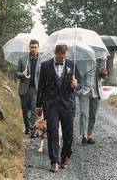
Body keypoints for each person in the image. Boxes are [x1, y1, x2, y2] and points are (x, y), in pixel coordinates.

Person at [37, 44, 81, 172]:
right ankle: (54, 161)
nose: (62, 59)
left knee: (68, 133)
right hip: (51, 105)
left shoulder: (72, 65)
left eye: (64, 56)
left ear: (67, 54)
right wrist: (38, 105)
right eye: (60, 56)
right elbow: (41, 87)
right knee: (52, 131)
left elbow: (80, 85)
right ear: (55, 54)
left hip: (68, 105)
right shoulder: (45, 66)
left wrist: (75, 85)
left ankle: (65, 156)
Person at [77, 57, 109, 145]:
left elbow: (104, 76)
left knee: (93, 115)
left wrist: (105, 73)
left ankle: (90, 135)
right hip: (84, 91)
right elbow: (77, 74)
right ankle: (84, 136)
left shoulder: (101, 60)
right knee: (84, 113)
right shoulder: (82, 59)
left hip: (96, 92)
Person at [14, 39, 41, 137]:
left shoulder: (42, 60)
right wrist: (22, 74)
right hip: (24, 88)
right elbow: (16, 73)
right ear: (29, 47)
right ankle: (27, 127)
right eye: (32, 47)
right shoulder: (23, 59)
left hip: (35, 89)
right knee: (25, 110)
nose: (33, 49)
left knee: (34, 109)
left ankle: (33, 130)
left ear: (38, 48)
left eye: (35, 47)